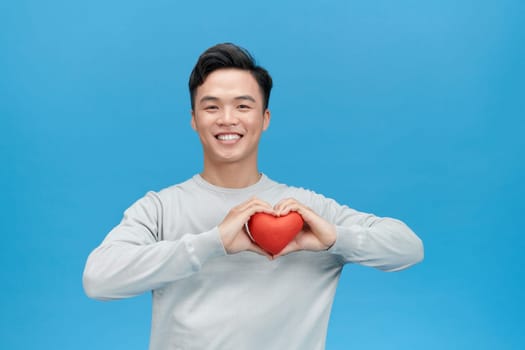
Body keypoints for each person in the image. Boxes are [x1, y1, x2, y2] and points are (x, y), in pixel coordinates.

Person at [83, 43, 424, 350]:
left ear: (264, 119)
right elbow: (98, 280)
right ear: (193, 120)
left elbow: (409, 248)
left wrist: (334, 239)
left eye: (243, 106)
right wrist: (213, 242)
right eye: (211, 107)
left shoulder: (308, 211)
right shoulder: (159, 208)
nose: (227, 119)